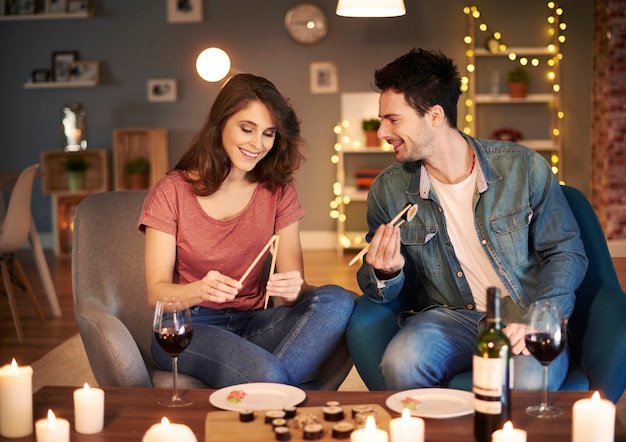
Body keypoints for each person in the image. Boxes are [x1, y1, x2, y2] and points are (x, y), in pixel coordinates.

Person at [355, 48, 588, 390]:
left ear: (434, 115)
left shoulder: (522, 167)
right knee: (400, 363)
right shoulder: (387, 190)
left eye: (393, 119)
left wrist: (544, 315)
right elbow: (376, 286)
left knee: (524, 383)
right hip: (448, 317)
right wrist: (384, 273)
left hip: (524, 314)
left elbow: (566, 252)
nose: (382, 132)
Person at [139, 73, 354, 388]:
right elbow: (156, 293)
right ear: (221, 123)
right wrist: (200, 289)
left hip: (255, 323)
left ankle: (266, 389)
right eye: (246, 129)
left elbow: (296, 291)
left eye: (268, 133)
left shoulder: (278, 190)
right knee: (265, 373)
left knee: (340, 301)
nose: (258, 144)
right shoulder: (171, 191)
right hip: (192, 328)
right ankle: (277, 389)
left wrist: (295, 289)